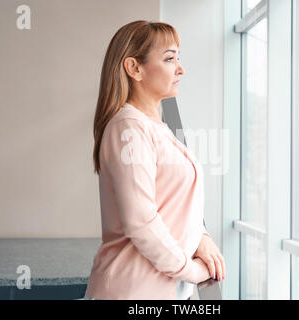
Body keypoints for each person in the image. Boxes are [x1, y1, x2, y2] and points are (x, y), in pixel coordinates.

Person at [84, 20, 226, 300]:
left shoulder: (154, 127)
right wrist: (191, 270)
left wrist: (201, 238)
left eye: (178, 58)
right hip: (132, 292)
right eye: (170, 59)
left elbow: (174, 205)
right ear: (134, 68)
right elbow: (141, 221)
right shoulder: (128, 128)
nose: (181, 69)